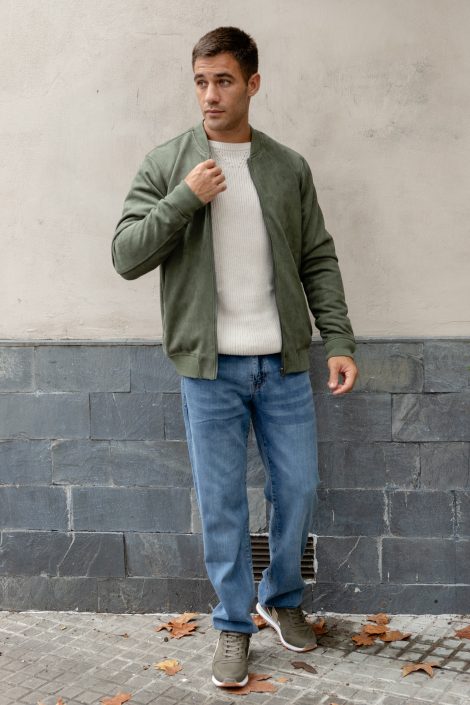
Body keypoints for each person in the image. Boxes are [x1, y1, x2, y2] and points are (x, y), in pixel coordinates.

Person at [112, 26, 358, 689]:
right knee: (222, 504)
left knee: (298, 488)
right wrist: (184, 198)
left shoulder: (287, 167)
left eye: (223, 80)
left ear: (252, 83)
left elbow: (317, 258)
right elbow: (126, 255)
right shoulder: (169, 163)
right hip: (209, 368)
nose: (210, 95)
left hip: (282, 363)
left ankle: (280, 598)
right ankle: (232, 623)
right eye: (200, 81)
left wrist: (338, 340)